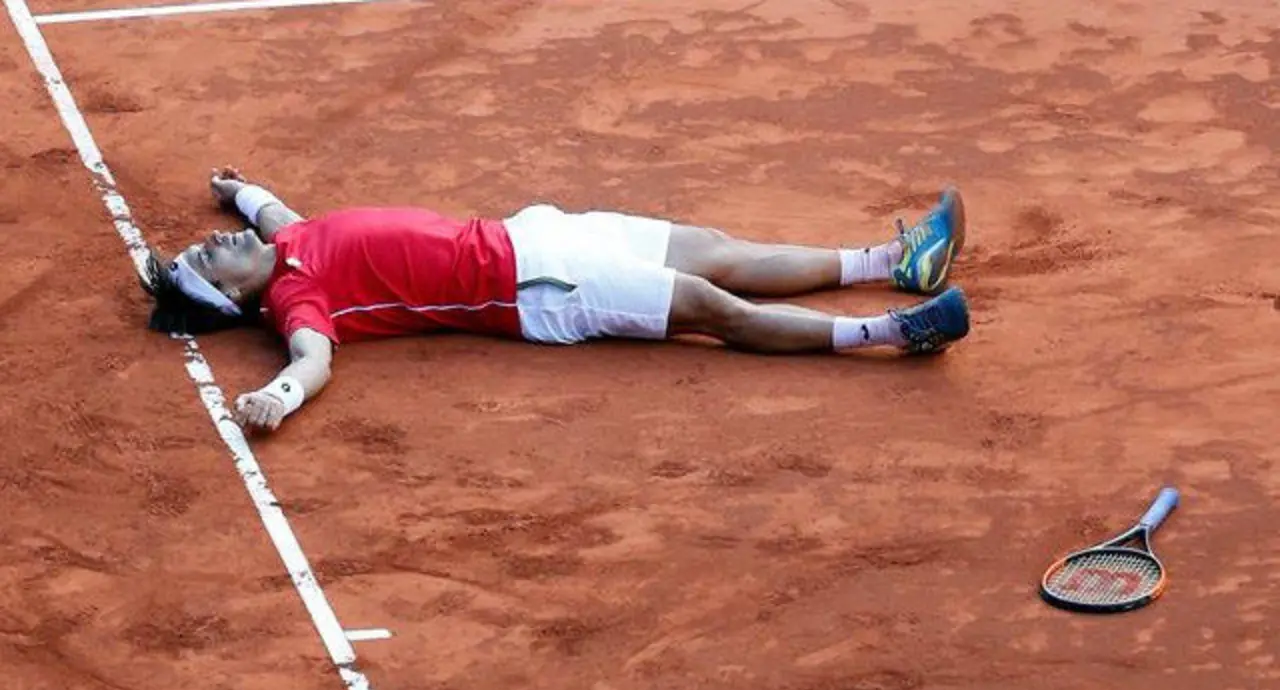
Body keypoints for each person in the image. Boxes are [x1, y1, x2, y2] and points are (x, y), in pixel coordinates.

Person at [140, 168, 971, 434]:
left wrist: (236, 190)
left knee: (719, 250)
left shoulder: (288, 240)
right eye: (203, 261)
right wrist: (277, 397)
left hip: (539, 233)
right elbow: (313, 359)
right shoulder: (294, 296)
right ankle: (895, 330)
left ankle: (899, 261)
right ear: (230, 296)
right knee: (714, 308)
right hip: (538, 289)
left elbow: (270, 209)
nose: (208, 243)